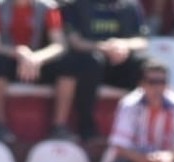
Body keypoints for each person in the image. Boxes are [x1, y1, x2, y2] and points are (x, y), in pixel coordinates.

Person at [0, 0, 75, 145]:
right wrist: (18, 53)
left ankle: (59, 126)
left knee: (68, 65)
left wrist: (37, 58)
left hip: (37, 61)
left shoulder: (48, 7)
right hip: (10, 60)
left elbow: (59, 45)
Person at [59, 0, 149, 143]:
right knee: (90, 62)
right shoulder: (75, 5)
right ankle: (86, 127)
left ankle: (143, 128)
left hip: (121, 63)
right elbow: (74, 41)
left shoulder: (130, 5)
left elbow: (142, 41)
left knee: (148, 68)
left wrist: (123, 45)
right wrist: (103, 48)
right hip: (90, 66)